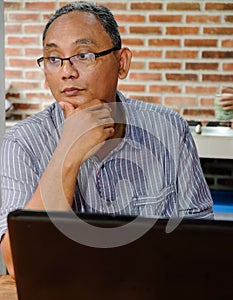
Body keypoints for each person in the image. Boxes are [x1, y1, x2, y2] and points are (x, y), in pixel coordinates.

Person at [0, 1, 213, 278]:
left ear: (121, 63)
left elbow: (201, 247)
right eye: (54, 59)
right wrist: (68, 153)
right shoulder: (22, 142)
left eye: (84, 55)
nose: (67, 72)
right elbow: (19, 264)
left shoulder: (169, 129)